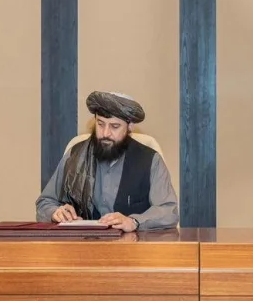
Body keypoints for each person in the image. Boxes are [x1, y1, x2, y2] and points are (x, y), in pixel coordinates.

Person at [36, 91, 178, 232]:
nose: (105, 133)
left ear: (130, 126)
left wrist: (134, 221)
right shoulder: (75, 155)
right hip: (83, 243)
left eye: (114, 126)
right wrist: (55, 212)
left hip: (131, 244)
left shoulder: (150, 160)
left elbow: (168, 211)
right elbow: (44, 203)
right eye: (100, 124)